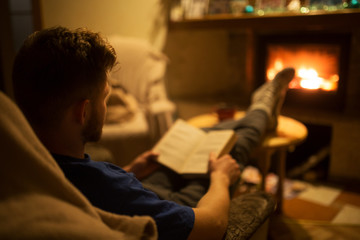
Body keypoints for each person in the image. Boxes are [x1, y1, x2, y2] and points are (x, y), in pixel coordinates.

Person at [12, 26, 295, 240]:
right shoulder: (113, 188)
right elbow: (212, 226)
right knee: (236, 144)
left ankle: (259, 111)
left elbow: (81, 189)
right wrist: (221, 179)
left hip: (140, 190)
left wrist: (130, 170)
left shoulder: (19, 163)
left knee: (208, 133)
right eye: (106, 96)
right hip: (174, 209)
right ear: (83, 112)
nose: (106, 106)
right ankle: (262, 106)